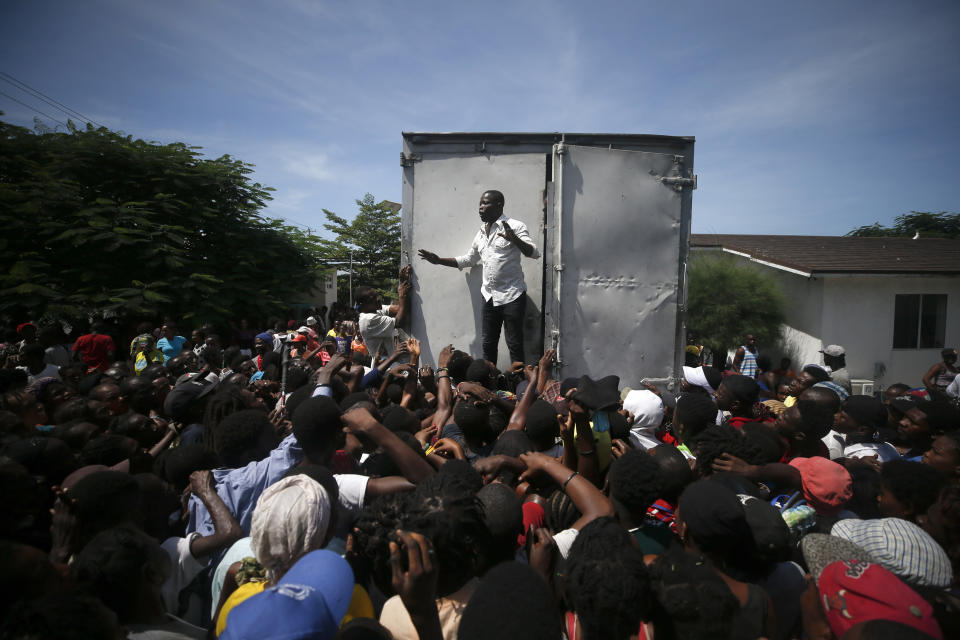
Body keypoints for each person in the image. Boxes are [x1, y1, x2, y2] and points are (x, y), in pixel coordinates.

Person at [418, 190, 540, 365]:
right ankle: (488, 386)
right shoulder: (481, 232)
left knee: (515, 344)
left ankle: (518, 388)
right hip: (489, 296)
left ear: (499, 205)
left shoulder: (515, 226)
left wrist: (515, 240)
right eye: (480, 205)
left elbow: (534, 253)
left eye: (485, 204)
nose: (481, 208)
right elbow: (469, 259)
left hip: (512, 295)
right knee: (488, 345)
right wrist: (438, 261)